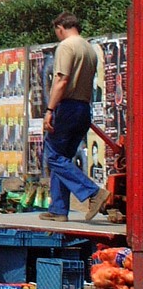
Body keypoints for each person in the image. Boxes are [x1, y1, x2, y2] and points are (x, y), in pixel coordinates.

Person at [40, 12, 109, 222]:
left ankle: (93, 192)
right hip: (83, 108)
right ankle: (58, 210)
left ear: (60, 27)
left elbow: (62, 80)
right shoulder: (89, 49)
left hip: (67, 107)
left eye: (56, 32)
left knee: (53, 156)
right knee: (63, 157)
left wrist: (50, 110)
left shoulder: (66, 46)